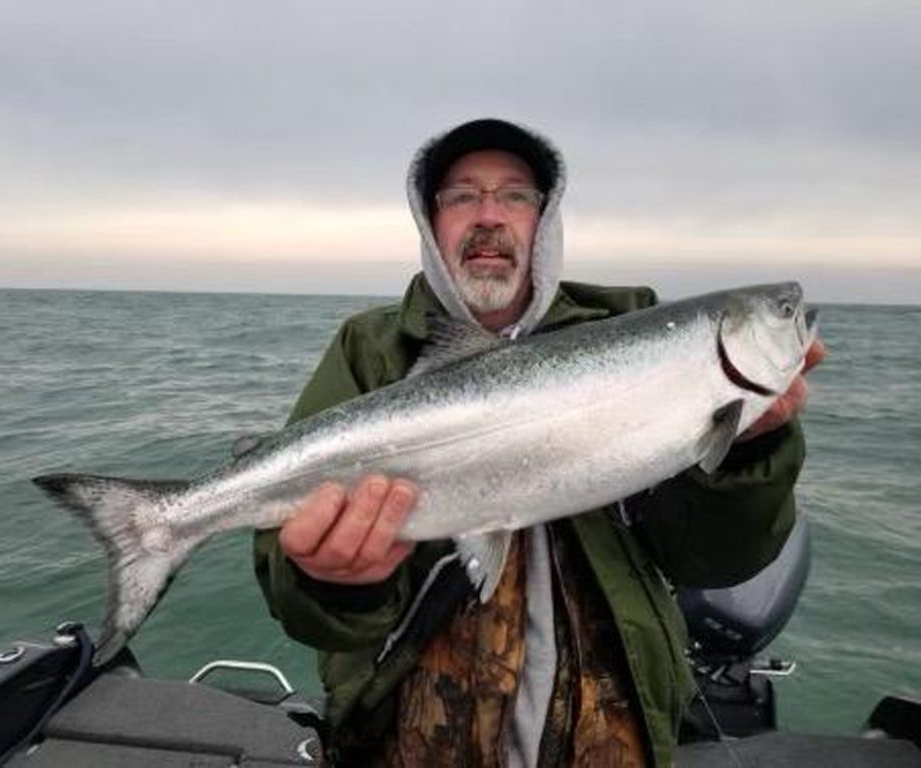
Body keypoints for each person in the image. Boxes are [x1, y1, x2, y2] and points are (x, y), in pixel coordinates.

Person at [254, 118, 825, 767]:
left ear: (545, 220)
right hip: (407, 739)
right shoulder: (369, 350)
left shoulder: (631, 326)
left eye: (516, 196)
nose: (489, 217)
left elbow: (713, 561)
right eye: (463, 195)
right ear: (430, 220)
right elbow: (298, 602)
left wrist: (749, 452)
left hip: (612, 740)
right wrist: (335, 585)